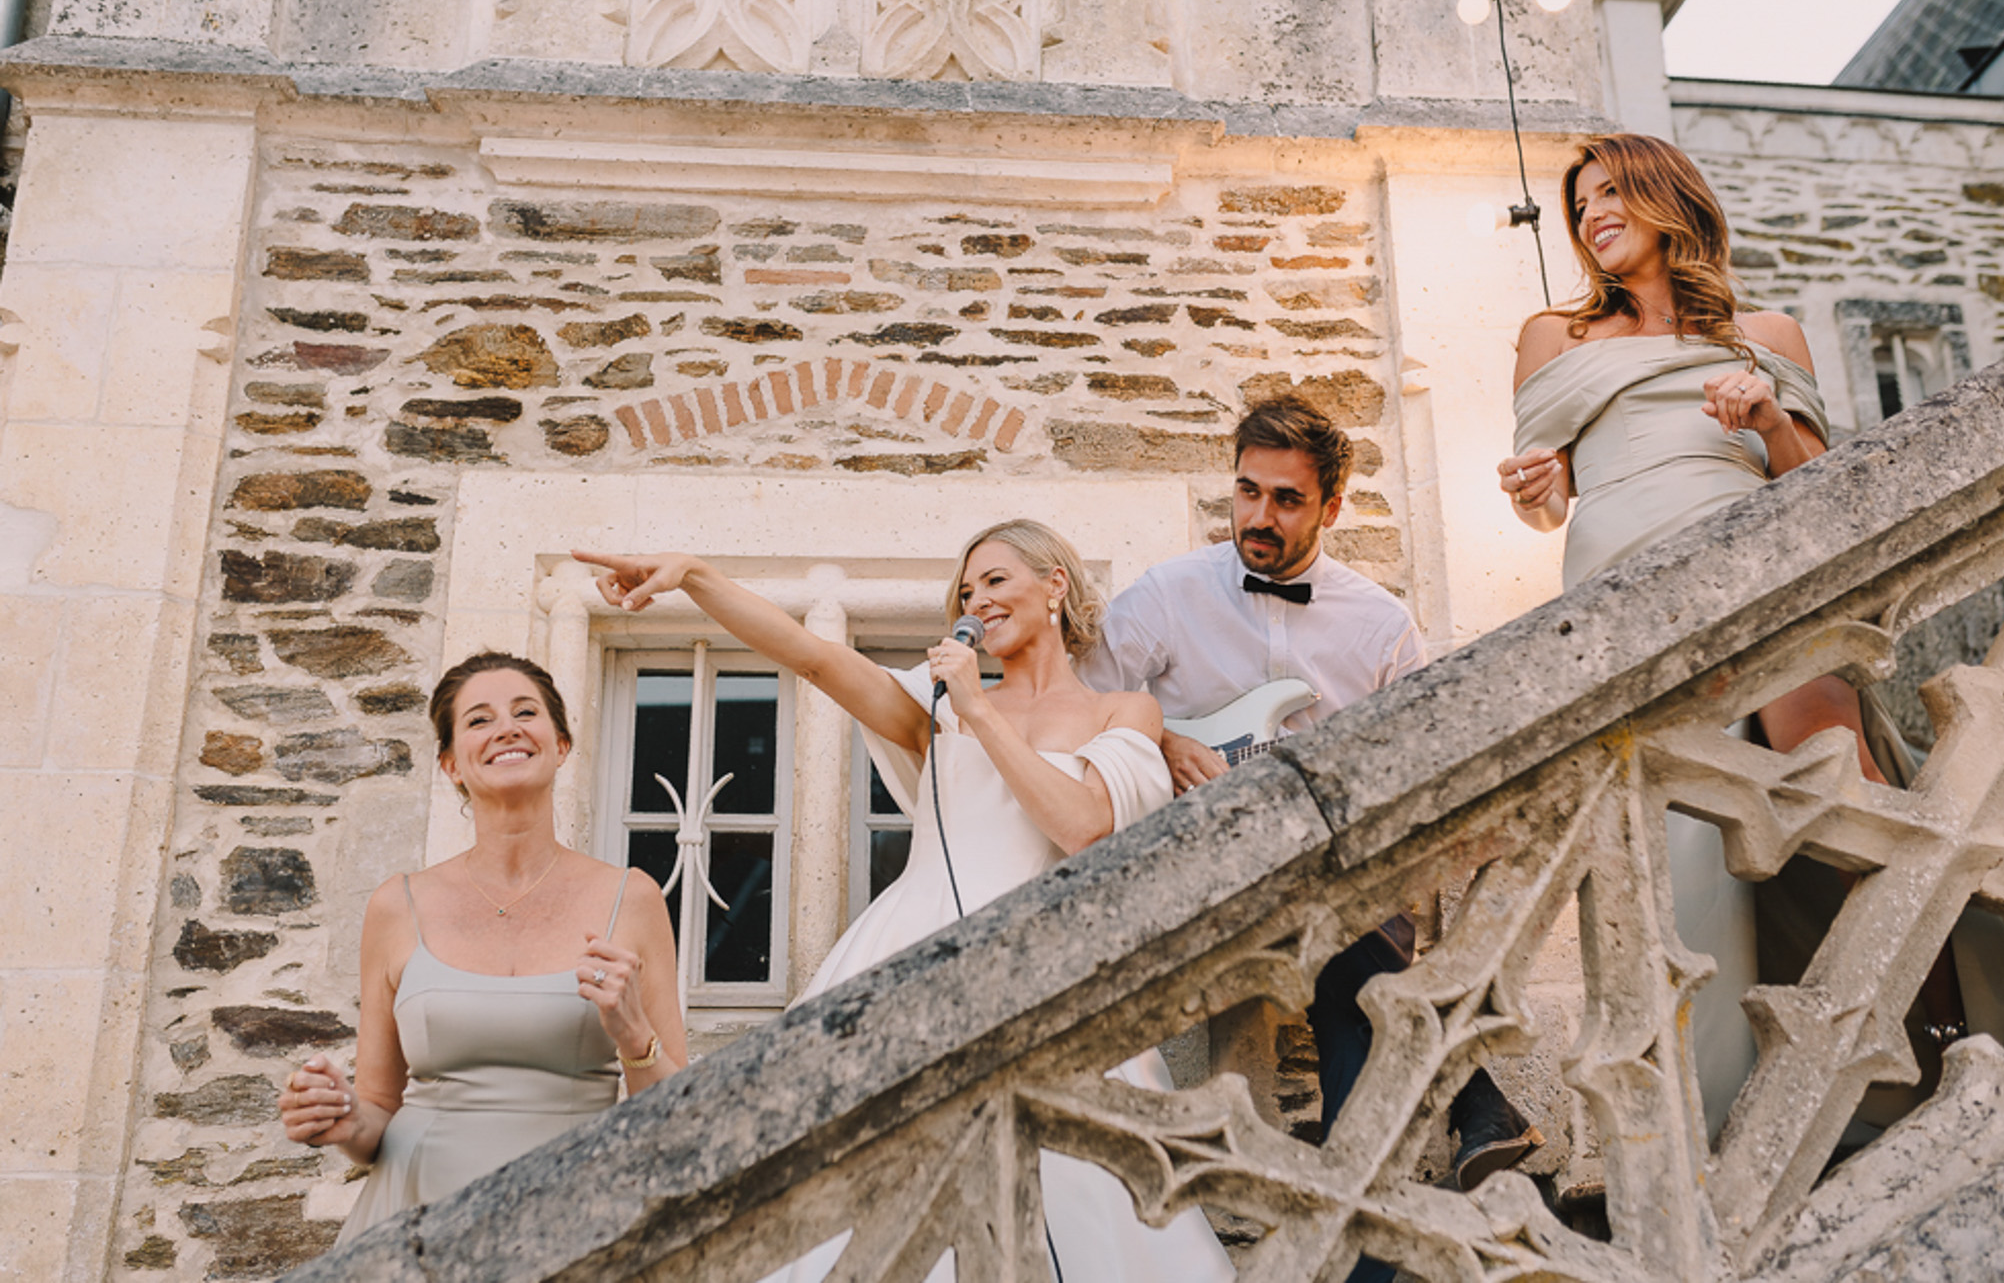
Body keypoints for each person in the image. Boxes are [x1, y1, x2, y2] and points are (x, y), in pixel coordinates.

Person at [1497, 131, 2004, 1137]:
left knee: (1843, 800)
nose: (1591, 216)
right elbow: (1543, 497)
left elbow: (1820, 492)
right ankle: (1704, 1116)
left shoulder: (1768, 331)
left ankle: (1945, 1036)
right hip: (1626, 593)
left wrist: (1765, 420)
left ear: (1669, 199)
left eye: (1612, 192)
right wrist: (1536, 491)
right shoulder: (1552, 336)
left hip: (1759, 571)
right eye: (1579, 205)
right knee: (1681, 847)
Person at [572, 522, 1233, 1283]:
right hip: (912, 956)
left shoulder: (1123, 713)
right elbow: (814, 656)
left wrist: (979, 713)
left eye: (994, 581)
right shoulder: (933, 709)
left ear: (1055, 585)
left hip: (1053, 974)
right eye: (965, 589)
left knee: (1079, 1206)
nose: (975, 599)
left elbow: (1082, 826)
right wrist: (695, 576)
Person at [1078, 395, 1540, 1283]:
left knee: (1353, 996)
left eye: (1286, 500)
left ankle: (1365, 1234)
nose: (1258, 516)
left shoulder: (1379, 626)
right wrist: (1161, 739)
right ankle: (1478, 1105)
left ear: (1332, 507)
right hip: (1202, 874)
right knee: (1362, 986)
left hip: (1343, 882)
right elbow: (1082, 703)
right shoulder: (1169, 596)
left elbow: (1429, 763)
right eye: (1246, 492)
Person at [277, 653, 687, 1242]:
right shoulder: (398, 905)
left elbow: (676, 1119)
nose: (507, 728)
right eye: (478, 720)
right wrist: (339, 1117)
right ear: (450, 764)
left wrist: (633, 1036)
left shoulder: (633, 897)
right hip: (409, 1224)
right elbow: (375, 1121)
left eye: (526, 712)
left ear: (561, 744)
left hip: (569, 1220)